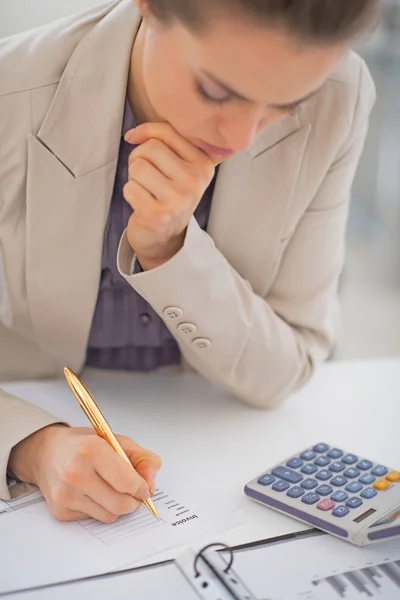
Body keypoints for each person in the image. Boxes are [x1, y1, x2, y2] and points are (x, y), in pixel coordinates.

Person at [0, 0, 379, 523]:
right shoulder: (10, 92)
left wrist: (170, 250)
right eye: (218, 91)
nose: (241, 139)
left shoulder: (341, 96)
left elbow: (289, 363)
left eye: (288, 105)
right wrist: (29, 446)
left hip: (216, 441)